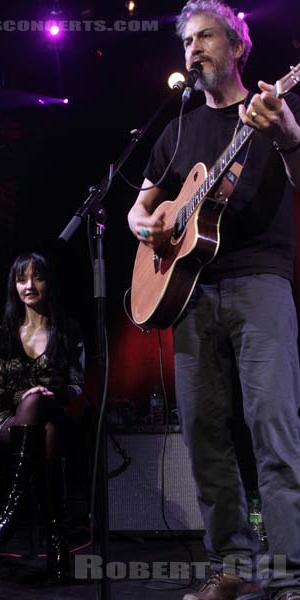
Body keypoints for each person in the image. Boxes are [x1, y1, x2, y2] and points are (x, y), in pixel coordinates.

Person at [128, 2, 300, 600]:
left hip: (260, 282)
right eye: (186, 42)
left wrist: (288, 134)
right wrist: (143, 225)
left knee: (272, 430)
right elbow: (139, 206)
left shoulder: (277, 104)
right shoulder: (175, 133)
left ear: (237, 48)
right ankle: (234, 567)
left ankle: (287, 575)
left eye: (204, 37)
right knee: (203, 434)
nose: (192, 49)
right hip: (190, 292)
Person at [0, 251, 85, 582]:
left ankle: (8, 520)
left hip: (58, 413)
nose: (29, 285)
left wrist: (58, 395)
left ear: (48, 282)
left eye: (36, 277)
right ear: (14, 286)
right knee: (40, 420)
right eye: (21, 278)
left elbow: (78, 386)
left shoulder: (67, 329)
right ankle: (58, 545)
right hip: (9, 422)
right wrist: (22, 397)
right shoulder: (4, 333)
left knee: (48, 417)